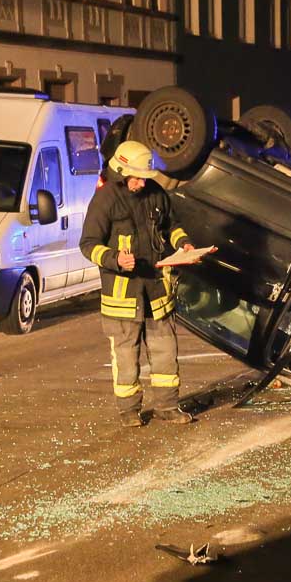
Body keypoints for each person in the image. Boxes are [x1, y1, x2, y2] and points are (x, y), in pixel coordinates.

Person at [80, 140, 196, 427]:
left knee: (165, 351)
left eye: (145, 177)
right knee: (125, 355)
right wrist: (115, 259)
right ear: (121, 172)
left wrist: (183, 243)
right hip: (123, 295)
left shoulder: (156, 194)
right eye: (136, 178)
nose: (142, 183)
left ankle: (167, 406)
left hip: (156, 291)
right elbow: (88, 244)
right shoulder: (105, 199)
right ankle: (129, 411)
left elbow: (171, 226)